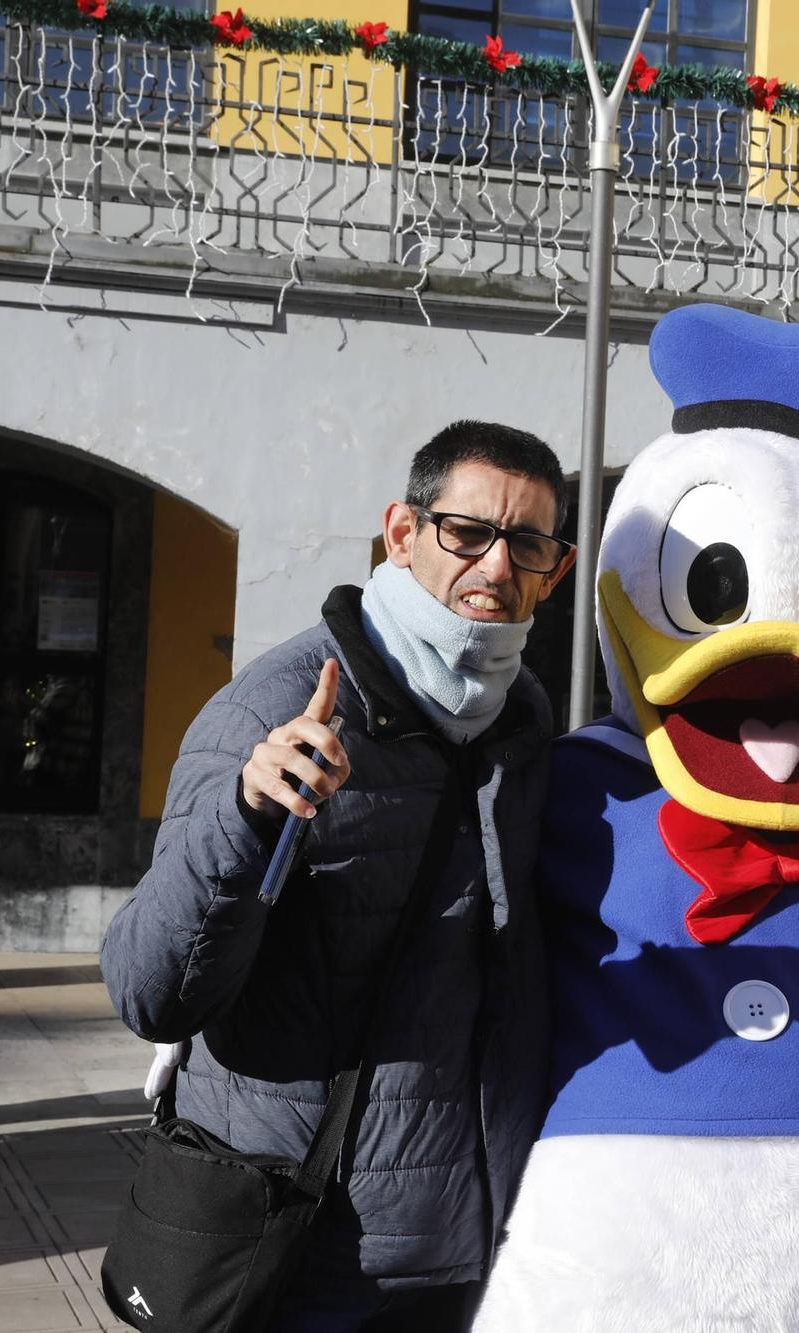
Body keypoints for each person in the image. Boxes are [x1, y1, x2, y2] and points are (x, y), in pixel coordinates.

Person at [101, 421, 575, 1331]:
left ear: (554, 568)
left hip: (474, 1256)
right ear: (402, 532)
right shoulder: (272, 711)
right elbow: (149, 992)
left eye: (527, 543)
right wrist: (247, 817)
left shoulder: (521, 716)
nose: (495, 565)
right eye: (466, 531)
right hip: (302, 1248)